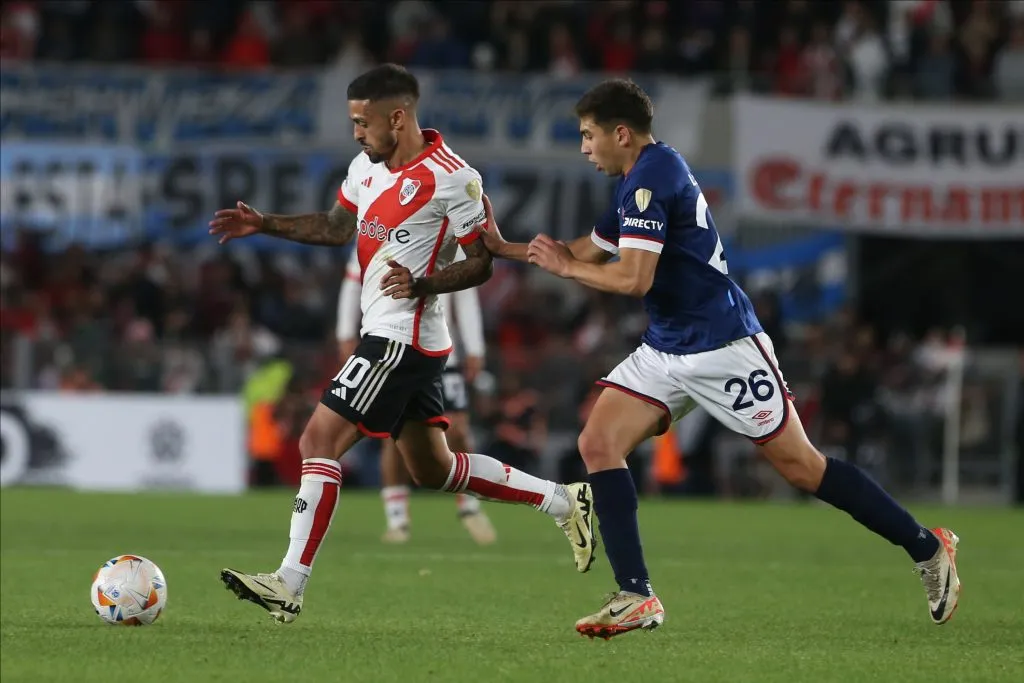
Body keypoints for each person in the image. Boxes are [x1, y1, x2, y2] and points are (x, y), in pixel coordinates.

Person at [479, 79, 961, 639]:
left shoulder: (652, 178)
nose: (584, 148)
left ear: (620, 133)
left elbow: (633, 278)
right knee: (598, 442)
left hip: (723, 346)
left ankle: (928, 548)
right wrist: (504, 248)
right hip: (667, 347)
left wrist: (567, 272)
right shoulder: (637, 176)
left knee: (803, 467)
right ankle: (637, 596)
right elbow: (585, 250)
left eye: (588, 136)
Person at [208, 64, 595, 624]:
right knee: (433, 470)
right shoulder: (365, 169)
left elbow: (481, 261)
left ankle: (288, 582)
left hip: (401, 337)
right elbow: (337, 228)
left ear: (398, 116)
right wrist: (265, 222)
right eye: (352, 122)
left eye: (363, 122)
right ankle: (564, 500)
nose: (357, 133)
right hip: (400, 336)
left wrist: (423, 284)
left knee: (317, 438)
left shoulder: (454, 177)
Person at [336, 247, 497, 544]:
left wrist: (474, 347)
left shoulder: (452, 229)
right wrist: (345, 331)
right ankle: (397, 519)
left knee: (458, 429)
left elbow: (465, 291)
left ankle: (469, 507)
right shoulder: (380, 224)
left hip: (443, 349)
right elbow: (353, 279)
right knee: (392, 435)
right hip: (393, 345)